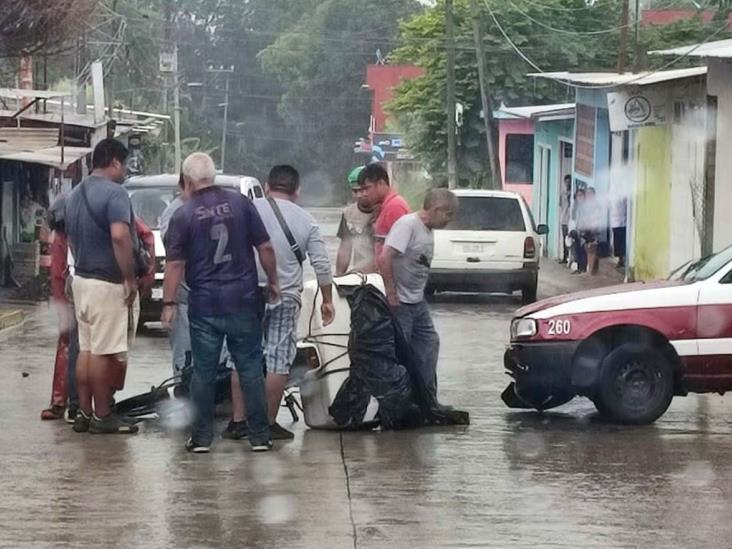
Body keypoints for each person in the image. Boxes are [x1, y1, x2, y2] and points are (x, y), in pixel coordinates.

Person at [162, 153, 279, 453]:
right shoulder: (241, 204)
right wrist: (274, 281)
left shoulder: (183, 215)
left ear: (187, 181)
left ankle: (201, 438)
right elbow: (264, 246)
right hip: (243, 300)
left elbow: (175, 265)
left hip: (205, 305)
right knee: (251, 368)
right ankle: (260, 436)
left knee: (203, 371)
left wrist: (169, 302)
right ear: (212, 176)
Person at [252, 165, 335, 440]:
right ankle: (266, 423)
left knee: (242, 355)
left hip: (246, 294)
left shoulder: (248, 210)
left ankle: (240, 421)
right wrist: (327, 300)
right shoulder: (306, 220)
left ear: (267, 186)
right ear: (297, 191)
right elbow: (322, 264)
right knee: (278, 360)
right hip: (285, 296)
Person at [161, 174, 246, 441]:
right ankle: (195, 404)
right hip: (199, 296)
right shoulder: (177, 212)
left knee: (206, 355)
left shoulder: (185, 212)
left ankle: (206, 405)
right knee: (193, 355)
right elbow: (176, 259)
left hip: (206, 296)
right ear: (185, 186)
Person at [64, 138, 140, 435]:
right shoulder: (115, 193)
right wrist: (130, 278)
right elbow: (120, 236)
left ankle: (83, 412)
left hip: (81, 280)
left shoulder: (74, 194)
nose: (125, 171)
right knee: (104, 353)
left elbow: (68, 237)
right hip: (106, 283)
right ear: (116, 162)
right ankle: (103, 415)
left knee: (87, 349)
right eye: (125, 165)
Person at [380, 188, 458, 398]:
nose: (449, 221)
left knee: (429, 345)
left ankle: (426, 398)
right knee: (399, 352)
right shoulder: (408, 225)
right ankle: (397, 399)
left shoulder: (427, 229)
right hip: (401, 303)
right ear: (436, 209)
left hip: (417, 302)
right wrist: (391, 293)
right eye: (448, 214)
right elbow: (385, 257)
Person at [41, 196, 79, 421]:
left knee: (70, 346)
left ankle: (67, 403)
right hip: (84, 293)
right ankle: (86, 404)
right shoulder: (65, 239)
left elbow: (57, 276)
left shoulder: (61, 239)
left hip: (73, 294)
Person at [357, 163, 410, 271]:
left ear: (381, 183)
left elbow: (398, 252)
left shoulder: (395, 207)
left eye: (368, 188)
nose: (365, 194)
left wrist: (389, 285)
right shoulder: (385, 206)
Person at [335, 166, 375, 275]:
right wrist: (338, 276)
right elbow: (345, 249)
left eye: (363, 190)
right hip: (361, 275)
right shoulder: (348, 214)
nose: (359, 195)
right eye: (355, 191)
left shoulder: (386, 210)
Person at [611, 193, 627, 269]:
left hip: (623, 222)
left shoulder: (625, 196)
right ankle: (620, 260)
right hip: (615, 222)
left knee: (622, 243)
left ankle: (622, 260)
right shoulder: (612, 196)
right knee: (617, 243)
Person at [559, 175, 571, 265]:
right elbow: (561, 205)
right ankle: (565, 257)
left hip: (570, 220)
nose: (568, 184)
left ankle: (570, 258)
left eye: (569, 182)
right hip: (564, 219)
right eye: (566, 182)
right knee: (565, 239)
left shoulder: (572, 193)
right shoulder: (562, 193)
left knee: (570, 239)